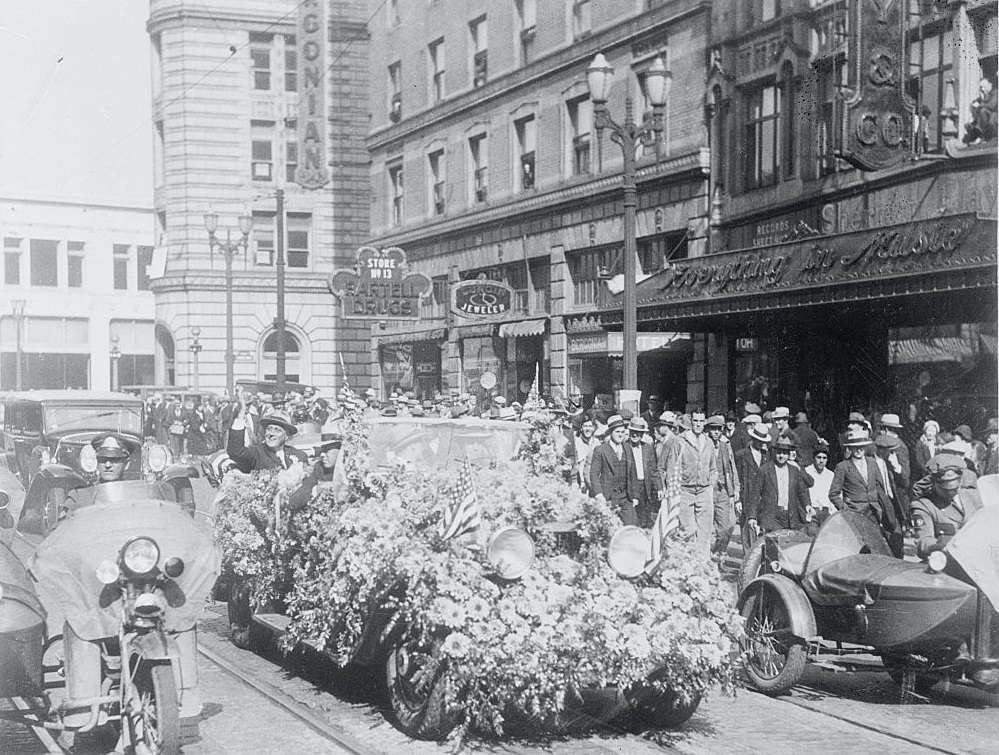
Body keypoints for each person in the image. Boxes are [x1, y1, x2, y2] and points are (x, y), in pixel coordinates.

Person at [664, 410, 717, 557]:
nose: (698, 424)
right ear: (691, 422)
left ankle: (702, 565)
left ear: (704, 422)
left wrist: (711, 484)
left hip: (704, 490)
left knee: (705, 531)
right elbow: (672, 468)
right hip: (685, 491)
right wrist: (673, 489)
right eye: (695, 421)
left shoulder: (708, 442)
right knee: (688, 529)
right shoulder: (680, 441)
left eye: (701, 421)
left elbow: (714, 468)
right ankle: (687, 561)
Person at [910, 455, 984, 560]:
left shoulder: (973, 496)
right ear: (934, 483)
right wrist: (942, 549)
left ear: (961, 481)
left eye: (954, 488)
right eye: (945, 490)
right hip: (947, 563)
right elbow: (924, 541)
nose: (951, 493)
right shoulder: (923, 506)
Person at [829, 428, 899, 537]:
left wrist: (883, 508)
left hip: (874, 512)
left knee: (875, 541)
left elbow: (879, 486)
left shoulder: (872, 462)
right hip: (854, 512)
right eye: (855, 447)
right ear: (850, 448)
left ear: (865, 447)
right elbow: (833, 494)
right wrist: (845, 509)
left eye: (861, 447)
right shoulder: (843, 467)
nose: (858, 450)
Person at [745, 437, 811, 536]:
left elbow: (802, 490)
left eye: (785, 453)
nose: (781, 456)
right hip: (772, 515)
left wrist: (807, 505)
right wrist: (752, 516)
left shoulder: (794, 471)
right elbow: (755, 494)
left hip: (789, 515)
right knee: (773, 545)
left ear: (789, 455)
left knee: (788, 546)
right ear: (774, 452)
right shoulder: (765, 470)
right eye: (779, 452)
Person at [226, 400, 308, 472]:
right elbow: (236, 452)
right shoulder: (257, 454)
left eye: (277, 430)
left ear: (286, 436)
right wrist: (241, 413)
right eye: (269, 429)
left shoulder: (299, 455)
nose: (271, 434)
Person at [589, 415, 635, 525]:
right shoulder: (600, 450)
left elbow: (633, 472)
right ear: (610, 433)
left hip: (625, 497)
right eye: (617, 432)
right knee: (609, 528)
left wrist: (635, 496)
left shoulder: (628, 448)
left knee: (631, 526)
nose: (620, 435)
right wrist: (599, 494)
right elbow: (593, 474)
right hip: (608, 497)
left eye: (622, 432)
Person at [706, 414, 740, 558]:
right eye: (713, 429)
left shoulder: (725, 444)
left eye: (719, 429)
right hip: (706, 490)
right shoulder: (703, 443)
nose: (716, 432)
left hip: (723, 490)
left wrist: (735, 489)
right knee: (705, 528)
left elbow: (732, 467)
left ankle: (718, 554)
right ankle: (706, 559)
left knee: (726, 527)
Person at [734, 421, 769, 551]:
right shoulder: (742, 455)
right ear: (753, 439)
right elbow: (737, 478)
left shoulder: (766, 456)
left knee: (761, 530)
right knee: (746, 530)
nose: (760, 443)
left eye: (762, 441)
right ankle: (747, 562)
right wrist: (737, 499)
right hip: (746, 495)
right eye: (758, 440)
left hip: (762, 498)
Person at [625, 417, 662, 528]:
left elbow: (654, 470)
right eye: (633, 432)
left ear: (642, 434)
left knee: (645, 519)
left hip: (645, 488)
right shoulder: (624, 447)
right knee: (632, 519)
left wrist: (659, 487)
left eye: (638, 433)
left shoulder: (648, 448)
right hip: (630, 488)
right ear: (629, 432)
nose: (635, 435)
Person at [287, 436, 342, 511]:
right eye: (322, 450)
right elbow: (297, 499)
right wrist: (316, 489)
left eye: (327, 450)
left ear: (341, 450)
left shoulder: (353, 469)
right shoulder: (320, 468)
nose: (322, 455)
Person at [803, 442, 835, 524]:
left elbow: (834, 496)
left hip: (827, 513)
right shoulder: (806, 472)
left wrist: (832, 513)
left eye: (824, 458)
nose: (821, 461)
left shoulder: (831, 475)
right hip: (812, 513)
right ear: (813, 458)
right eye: (819, 457)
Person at [573, 415, 600, 494]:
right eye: (585, 426)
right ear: (581, 428)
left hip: (593, 481)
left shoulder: (597, 442)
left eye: (590, 426)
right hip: (580, 482)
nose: (588, 429)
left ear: (594, 428)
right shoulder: (577, 441)